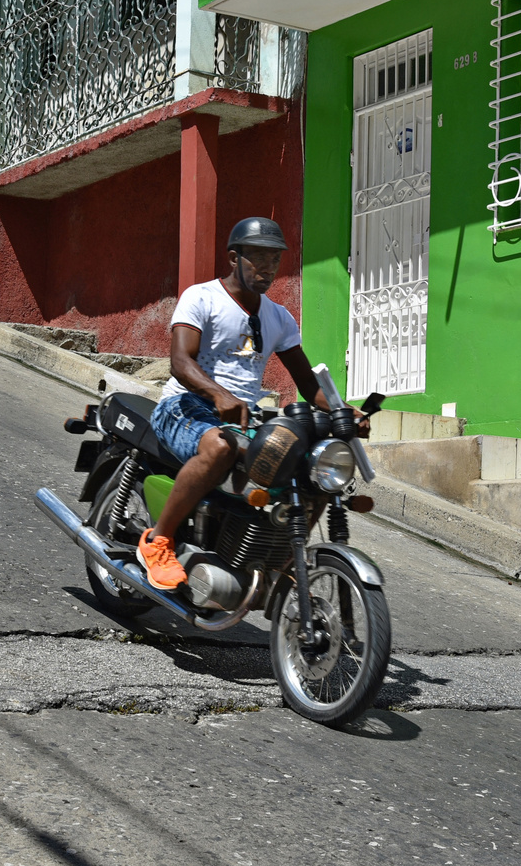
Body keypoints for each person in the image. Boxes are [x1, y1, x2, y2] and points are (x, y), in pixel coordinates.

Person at [137, 216, 368, 591]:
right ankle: (159, 540)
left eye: (274, 260)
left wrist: (345, 412)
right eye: (257, 257)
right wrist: (218, 394)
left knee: (311, 469)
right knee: (219, 447)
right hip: (184, 406)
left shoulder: (278, 316)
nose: (267, 267)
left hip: (242, 416)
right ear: (233, 258)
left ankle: (279, 563)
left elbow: (309, 386)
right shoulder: (202, 297)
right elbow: (180, 362)